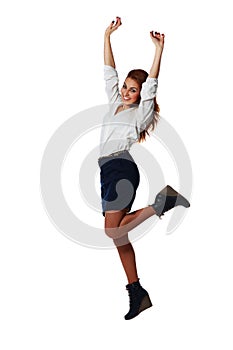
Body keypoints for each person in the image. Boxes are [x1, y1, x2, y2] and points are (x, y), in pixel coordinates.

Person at [98, 17, 190, 320]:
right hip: (106, 170)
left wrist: (158, 51)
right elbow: (109, 72)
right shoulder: (115, 101)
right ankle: (137, 292)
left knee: (112, 230)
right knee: (119, 237)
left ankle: (163, 201)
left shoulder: (141, 113)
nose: (126, 92)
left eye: (133, 90)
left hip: (121, 168)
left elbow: (151, 86)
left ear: (141, 95)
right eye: (126, 87)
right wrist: (107, 36)